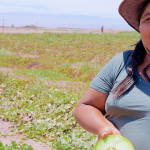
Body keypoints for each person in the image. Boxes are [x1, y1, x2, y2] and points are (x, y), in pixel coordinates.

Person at [74, 0, 150, 149]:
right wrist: (103, 127)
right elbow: (85, 106)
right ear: (139, 26)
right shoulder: (121, 63)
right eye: (149, 19)